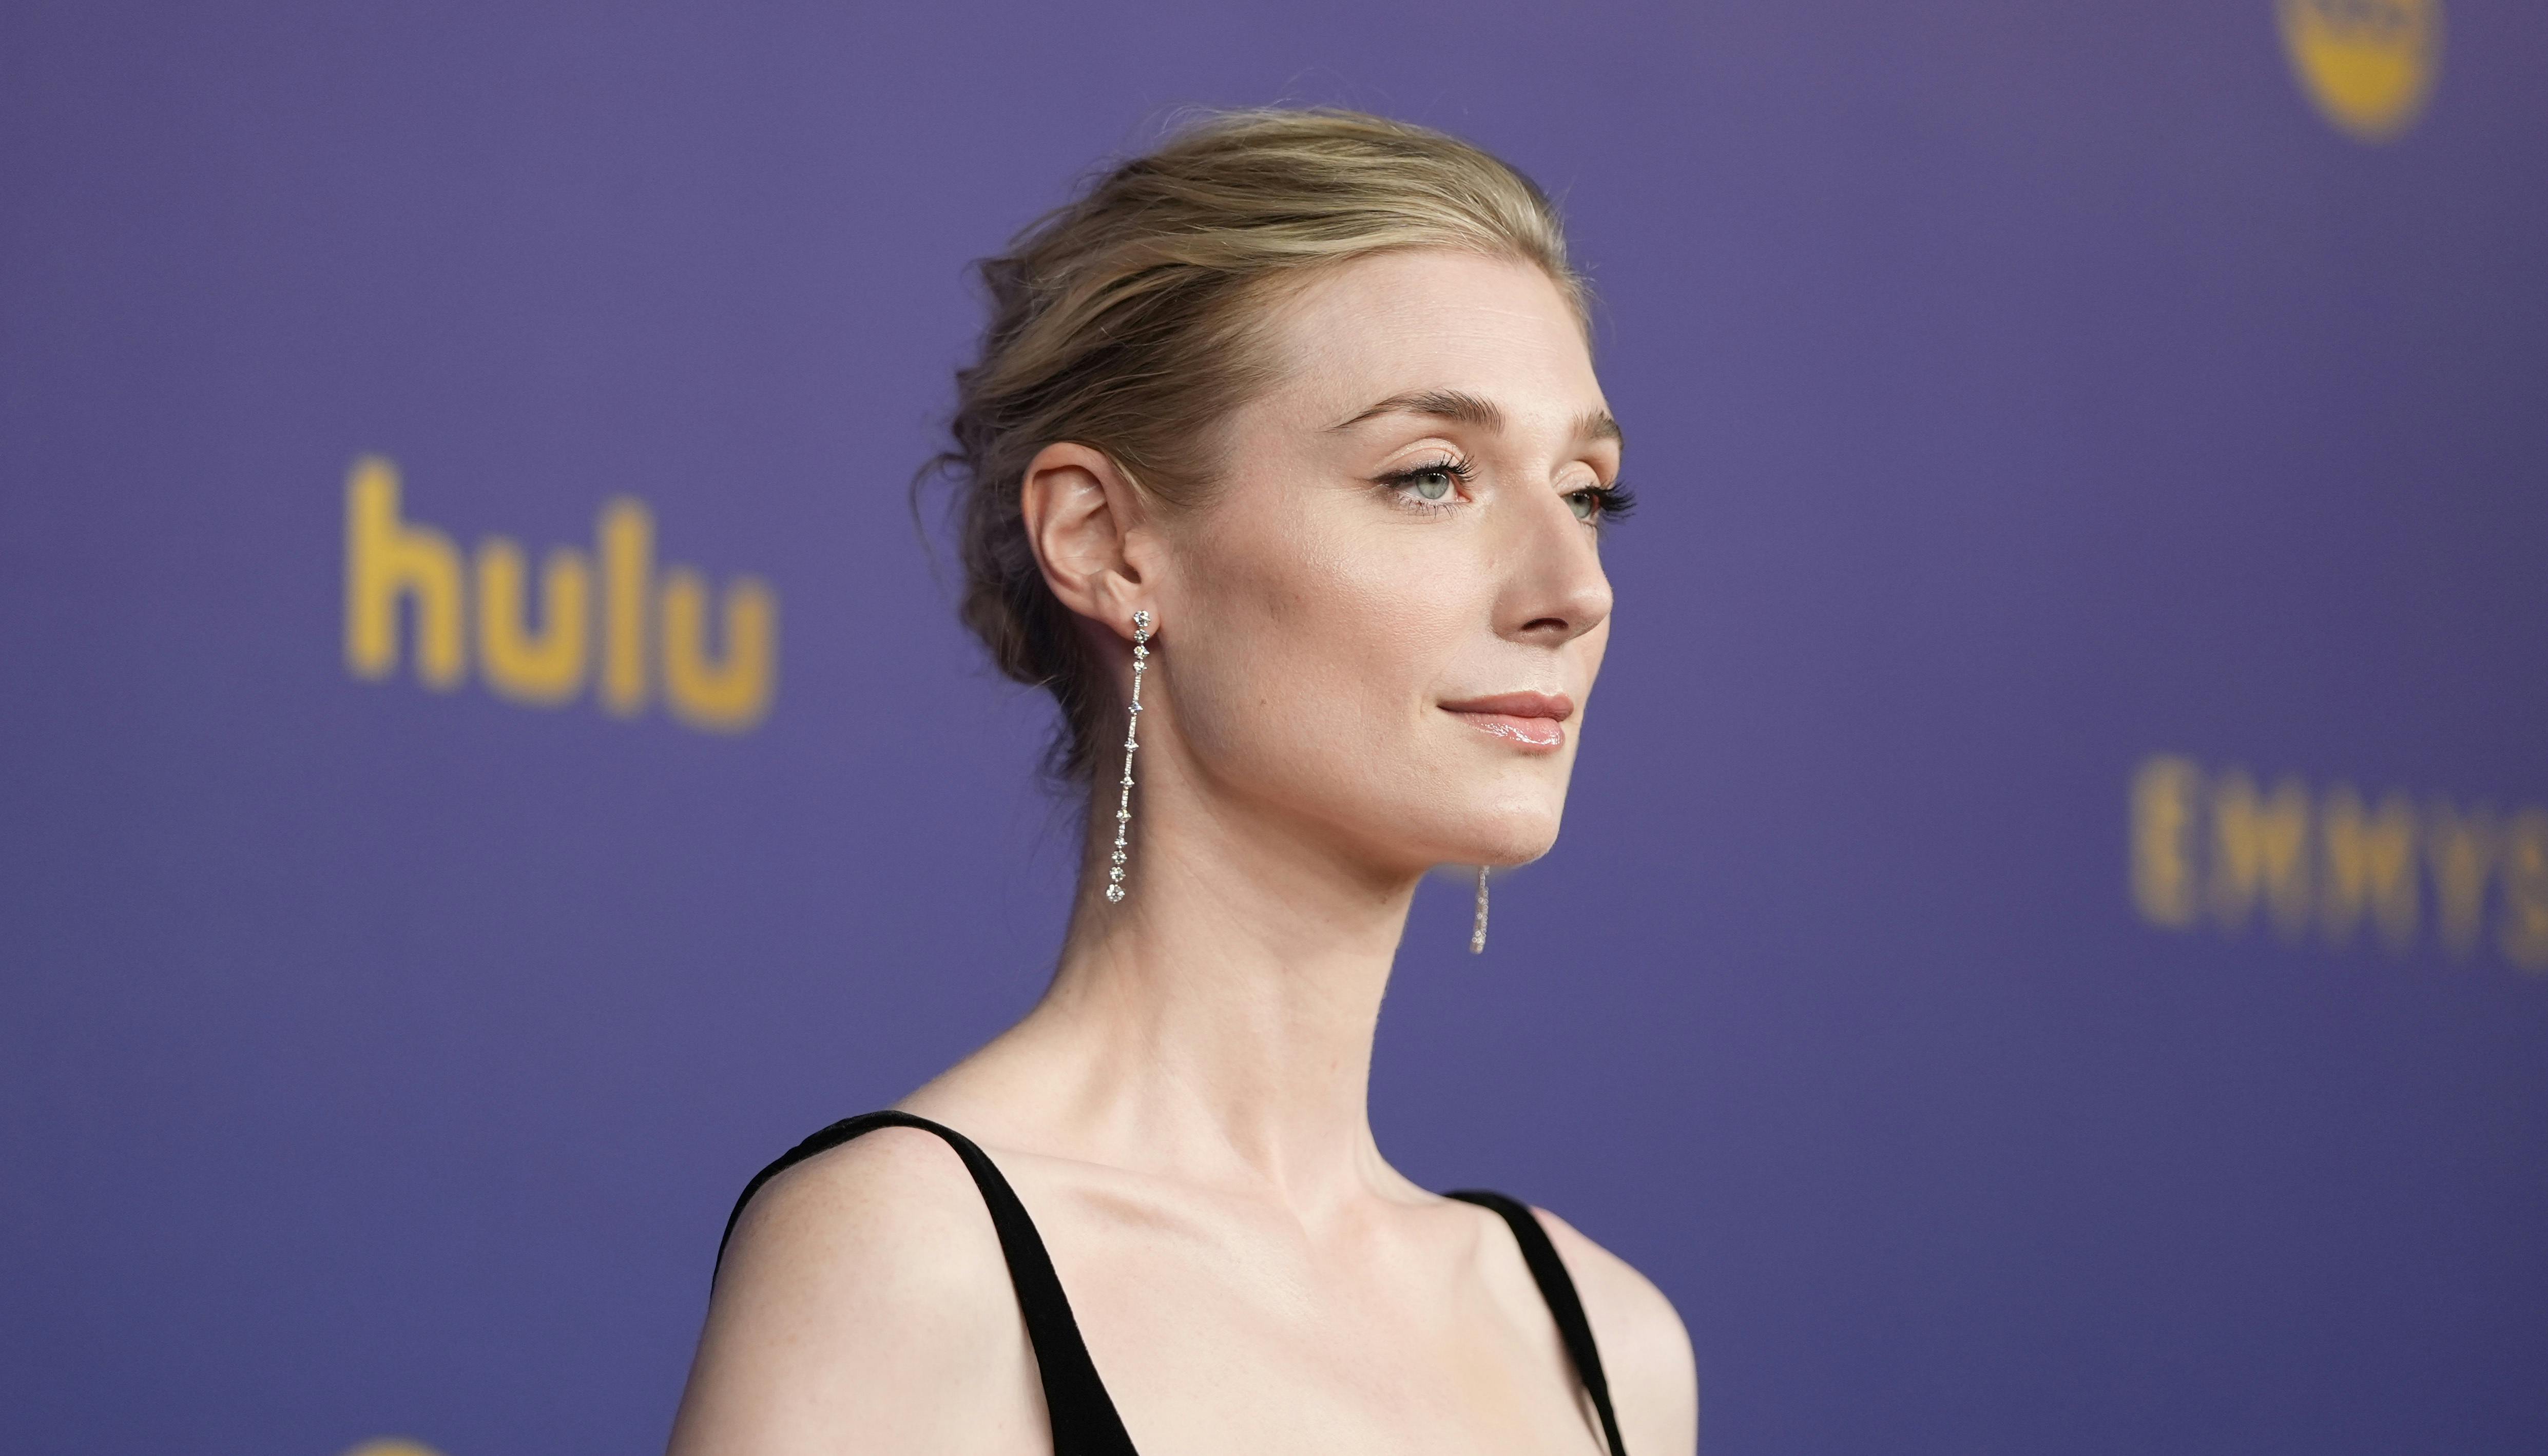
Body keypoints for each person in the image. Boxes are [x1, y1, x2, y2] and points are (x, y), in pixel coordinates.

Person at [666, 107, 1696, 1456]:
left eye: (1585, 491)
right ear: (1104, 541)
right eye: (1432, 476)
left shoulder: (1600, 1345)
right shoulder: (915, 1262)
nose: (1574, 590)